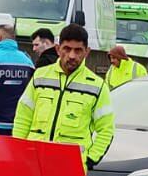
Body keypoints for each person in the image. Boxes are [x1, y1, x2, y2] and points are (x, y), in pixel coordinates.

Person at [12, 24, 115, 168]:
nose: (72, 55)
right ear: (57, 49)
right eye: (67, 49)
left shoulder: (98, 86)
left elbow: (106, 130)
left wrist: (89, 160)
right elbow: (23, 117)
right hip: (33, 164)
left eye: (78, 50)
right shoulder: (40, 76)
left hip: (71, 169)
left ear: (87, 52)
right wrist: (18, 152)